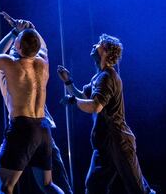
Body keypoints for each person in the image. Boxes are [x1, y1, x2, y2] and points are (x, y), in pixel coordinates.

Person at [0, 19, 65, 194]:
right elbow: (39, 44)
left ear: (18, 48)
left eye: (17, 40)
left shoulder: (11, 64)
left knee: (5, 186)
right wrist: (30, 28)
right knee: (47, 185)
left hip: (22, 128)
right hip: (43, 129)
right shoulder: (43, 62)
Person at [58, 34, 155, 194]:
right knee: (94, 186)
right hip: (104, 144)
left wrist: (74, 101)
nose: (94, 45)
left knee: (138, 189)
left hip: (118, 141)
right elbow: (84, 97)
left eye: (98, 44)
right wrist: (68, 82)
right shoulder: (98, 77)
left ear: (106, 52)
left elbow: (95, 106)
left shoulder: (108, 77)